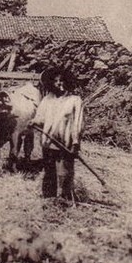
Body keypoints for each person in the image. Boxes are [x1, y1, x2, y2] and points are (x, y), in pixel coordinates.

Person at [29, 67, 85, 200]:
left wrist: (75, 142)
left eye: (62, 80)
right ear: (51, 83)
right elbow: (40, 118)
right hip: (49, 143)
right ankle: (49, 198)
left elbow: (78, 123)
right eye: (55, 81)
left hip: (65, 144)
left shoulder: (75, 100)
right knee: (49, 172)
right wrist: (34, 121)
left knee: (64, 173)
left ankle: (65, 198)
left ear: (67, 82)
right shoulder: (47, 100)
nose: (59, 83)